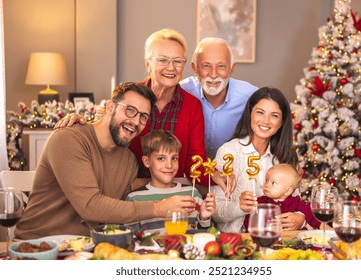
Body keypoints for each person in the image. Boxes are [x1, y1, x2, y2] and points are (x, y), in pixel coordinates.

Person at [15, 82, 197, 239]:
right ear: (110, 107)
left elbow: (135, 190)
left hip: (88, 248)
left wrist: (189, 190)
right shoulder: (69, 138)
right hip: (40, 244)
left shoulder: (128, 160)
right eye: (130, 110)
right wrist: (158, 208)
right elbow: (90, 206)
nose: (135, 121)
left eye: (143, 117)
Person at [54, 29, 229, 193]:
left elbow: (195, 159)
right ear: (147, 64)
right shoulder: (130, 96)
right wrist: (81, 123)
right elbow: (104, 131)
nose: (171, 67)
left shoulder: (192, 105)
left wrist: (213, 173)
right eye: (162, 60)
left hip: (168, 191)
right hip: (123, 189)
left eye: (177, 61)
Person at [211, 87, 306, 233]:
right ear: (250, 114)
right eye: (260, 112)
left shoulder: (285, 156)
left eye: (274, 115)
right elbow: (215, 213)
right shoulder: (229, 151)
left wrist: (301, 218)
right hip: (238, 240)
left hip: (279, 240)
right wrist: (240, 207)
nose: (266, 121)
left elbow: (296, 200)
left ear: (281, 122)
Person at [180, 37, 258, 159]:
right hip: (191, 169)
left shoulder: (251, 96)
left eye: (221, 66)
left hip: (234, 169)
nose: (213, 74)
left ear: (232, 69)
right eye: (206, 66)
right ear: (194, 68)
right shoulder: (181, 92)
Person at [126, 129, 215, 233]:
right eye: (161, 158)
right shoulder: (135, 198)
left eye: (174, 158)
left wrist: (204, 218)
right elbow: (130, 238)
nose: (169, 165)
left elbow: (203, 235)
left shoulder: (192, 193)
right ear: (146, 161)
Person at [242, 164, 321, 231]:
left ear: (288, 191)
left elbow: (312, 214)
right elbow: (249, 222)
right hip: (268, 240)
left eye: (273, 183)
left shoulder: (296, 202)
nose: (266, 185)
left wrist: (323, 227)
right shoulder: (260, 202)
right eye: (267, 180)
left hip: (293, 242)